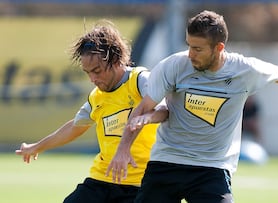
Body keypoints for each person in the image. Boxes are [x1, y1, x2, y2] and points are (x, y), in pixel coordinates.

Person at [107, 10, 278, 203]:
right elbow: (143, 109)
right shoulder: (174, 65)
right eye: (189, 45)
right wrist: (123, 149)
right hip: (167, 160)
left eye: (198, 49)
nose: (190, 54)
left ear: (219, 48)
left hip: (211, 167)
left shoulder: (244, 70)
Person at [15, 20, 168, 203]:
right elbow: (75, 127)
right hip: (101, 179)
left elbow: (163, 108)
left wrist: (143, 120)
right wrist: (36, 147)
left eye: (97, 71)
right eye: (88, 73)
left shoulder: (140, 80)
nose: (92, 79)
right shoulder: (97, 97)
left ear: (116, 60)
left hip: (140, 183)